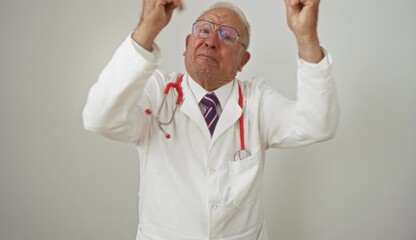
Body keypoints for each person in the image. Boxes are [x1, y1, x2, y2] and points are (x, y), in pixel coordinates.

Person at [82, 0, 339, 239]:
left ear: (243, 60)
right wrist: (148, 27)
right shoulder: (158, 93)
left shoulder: (257, 101)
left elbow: (317, 124)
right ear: (186, 46)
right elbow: (99, 117)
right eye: (203, 30)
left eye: (227, 36)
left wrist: (306, 36)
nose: (211, 41)